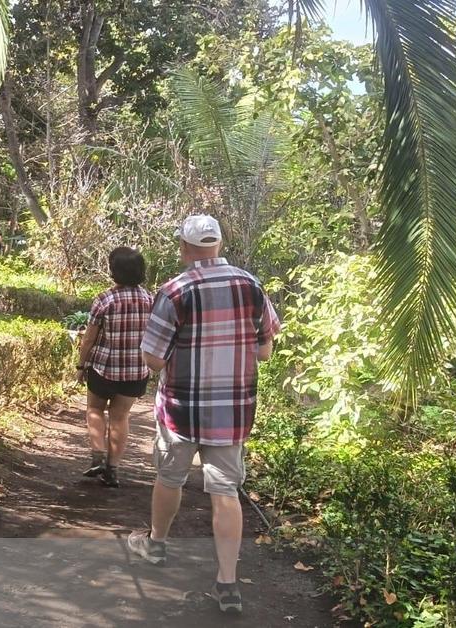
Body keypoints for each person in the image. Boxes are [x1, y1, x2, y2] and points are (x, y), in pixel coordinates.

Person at [127, 214, 280, 614]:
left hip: (181, 409)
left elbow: (154, 360)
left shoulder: (175, 291)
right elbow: (265, 349)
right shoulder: (251, 285)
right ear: (220, 245)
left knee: (170, 476)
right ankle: (228, 585)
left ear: (184, 248)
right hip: (232, 409)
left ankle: (156, 545)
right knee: (225, 491)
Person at [75, 246, 153, 488]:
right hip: (136, 370)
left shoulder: (105, 299)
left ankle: (97, 454)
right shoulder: (151, 300)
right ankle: (113, 470)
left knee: (95, 410)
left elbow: (89, 338)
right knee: (120, 417)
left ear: (114, 271)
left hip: (103, 367)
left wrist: (81, 365)